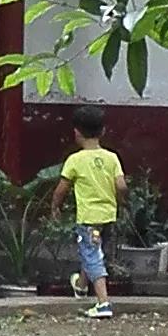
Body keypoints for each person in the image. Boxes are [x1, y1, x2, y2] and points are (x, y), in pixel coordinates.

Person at [48, 126, 124, 318]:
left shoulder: (75, 160)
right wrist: (121, 202)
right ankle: (81, 286)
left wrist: (55, 207)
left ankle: (103, 303)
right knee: (94, 252)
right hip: (108, 216)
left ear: (76, 132)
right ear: (103, 131)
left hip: (89, 218)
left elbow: (61, 189)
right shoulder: (112, 157)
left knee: (92, 255)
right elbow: (121, 186)